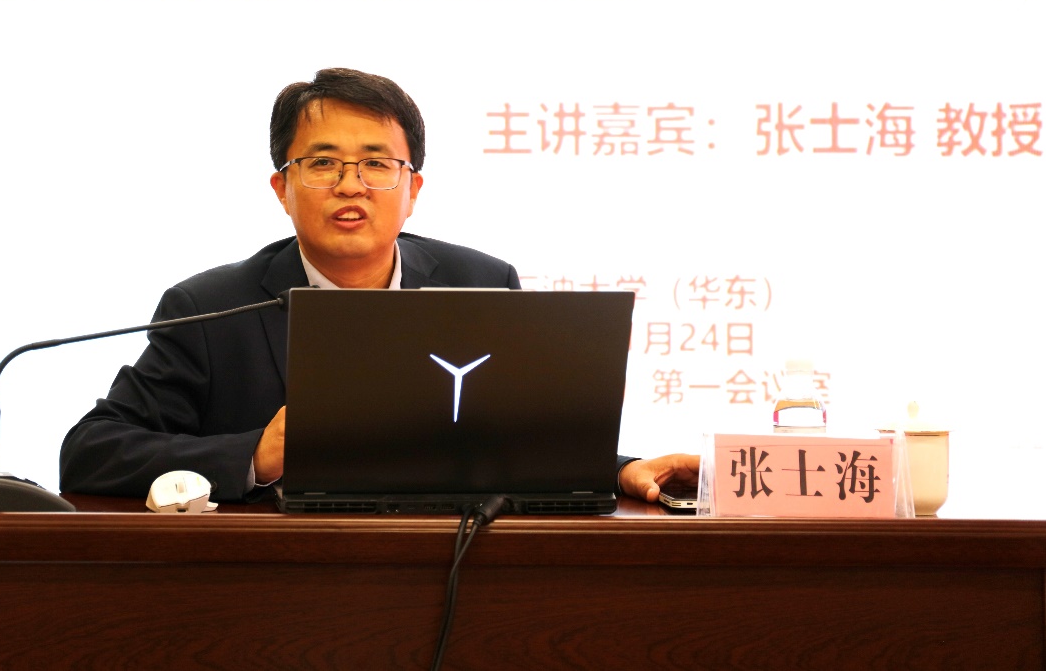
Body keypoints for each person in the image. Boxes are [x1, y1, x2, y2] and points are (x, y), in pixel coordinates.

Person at [59, 68, 698, 503]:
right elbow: (91, 451)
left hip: (453, 568)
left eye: (375, 164)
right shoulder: (210, 307)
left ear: (412, 189)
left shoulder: (480, 283)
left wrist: (620, 470)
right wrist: (255, 454)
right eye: (323, 163)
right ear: (282, 188)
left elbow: (525, 440)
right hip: (273, 583)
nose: (351, 185)